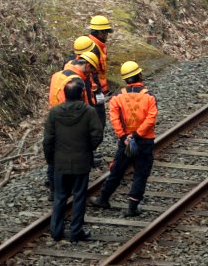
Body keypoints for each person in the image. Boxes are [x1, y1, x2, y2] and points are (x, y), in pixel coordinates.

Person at [89, 61, 157, 217]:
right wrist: (137, 134)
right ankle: (133, 206)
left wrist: (124, 136)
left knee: (117, 170)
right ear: (139, 75)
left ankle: (104, 199)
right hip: (144, 140)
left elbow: (114, 119)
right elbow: (151, 118)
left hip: (125, 141)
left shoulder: (118, 97)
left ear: (125, 79)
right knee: (141, 173)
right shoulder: (149, 97)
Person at [43, 78, 103, 242]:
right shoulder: (89, 111)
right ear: (82, 93)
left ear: (64, 94)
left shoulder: (54, 112)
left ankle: (56, 231)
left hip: (60, 162)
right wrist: (87, 148)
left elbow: (48, 139)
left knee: (60, 196)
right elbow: (97, 135)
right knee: (79, 196)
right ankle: (76, 231)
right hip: (81, 162)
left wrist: (51, 160)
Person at [46, 51, 100, 198]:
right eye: (91, 70)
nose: (91, 74)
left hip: (54, 116)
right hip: (68, 120)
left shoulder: (58, 74)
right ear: (87, 65)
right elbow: (81, 104)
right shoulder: (76, 81)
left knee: (54, 154)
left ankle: (53, 189)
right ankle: (63, 189)